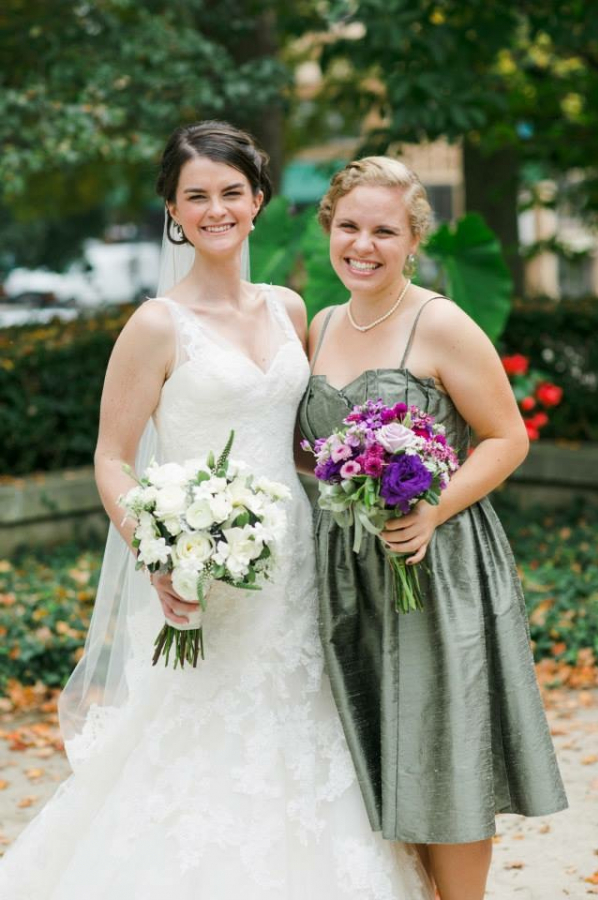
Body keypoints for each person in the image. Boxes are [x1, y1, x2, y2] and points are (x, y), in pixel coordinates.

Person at [0, 125, 433, 900]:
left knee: (305, 728)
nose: (216, 209)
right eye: (195, 195)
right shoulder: (156, 325)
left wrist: (371, 476)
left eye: (232, 192)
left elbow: (302, 442)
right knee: (196, 747)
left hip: (297, 571)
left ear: (259, 200)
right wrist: (159, 552)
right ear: (172, 209)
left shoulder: (290, 308)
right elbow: (112, 458)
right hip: (206, 575)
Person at [298, 156, 568, 900]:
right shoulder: (321, 324)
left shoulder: (441, 323)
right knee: (380, 753)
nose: (363, 245)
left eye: (384, 231)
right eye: (349, 227)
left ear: (414, 238)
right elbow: (308, 453)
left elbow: (508, 438)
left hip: (434, 567)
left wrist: (432, 510)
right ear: (329, 228)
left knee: (443, 755)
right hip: (346, 574)